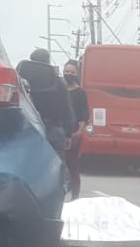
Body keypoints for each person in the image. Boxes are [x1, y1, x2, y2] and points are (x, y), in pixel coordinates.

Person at [16, 48, 74, 159]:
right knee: (56, 164)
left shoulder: (21, 79)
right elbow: (67, 110)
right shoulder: (58, 82)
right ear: (48, 61)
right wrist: (68, 134)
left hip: (27, 127)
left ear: (31, 60)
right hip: (54, 129)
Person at [61, 59, 90, 199]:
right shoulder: (59, 90)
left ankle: (75, 197)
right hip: (59, 131)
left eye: (72, 72)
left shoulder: (80, 93)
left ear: (77, 74)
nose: (69, 74)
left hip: (73, 133)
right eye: (67, 71)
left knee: (73, 165)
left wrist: (79, 131)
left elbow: (84, 114)